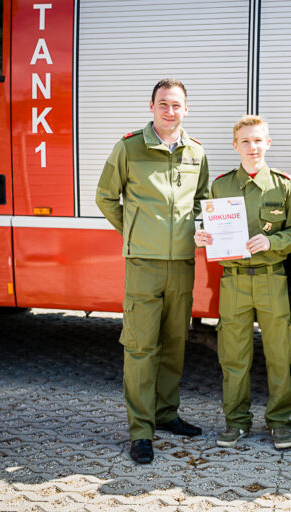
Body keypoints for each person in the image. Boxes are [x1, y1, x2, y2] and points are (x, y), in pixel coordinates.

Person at [95, 78, 209, 464]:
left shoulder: (196, 152)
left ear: (186, 109)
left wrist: (202, 229)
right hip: (143, 264)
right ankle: (140, 431)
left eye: (177, 105)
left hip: (182, 264)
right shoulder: (129, 147)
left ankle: (165, 414)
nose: (170, 111)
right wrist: (135, 230)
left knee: (174, 344)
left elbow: (202, 202)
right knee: (141, 347)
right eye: (163, 104)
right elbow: (106, 196)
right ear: (151, 106)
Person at [195, 115, 291, 450]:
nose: (252, 147)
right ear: (235, 145)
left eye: (258, 140)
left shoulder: (284, 185)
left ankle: (280, 423)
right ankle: (237, 422)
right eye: (245, 141)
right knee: (233, 356)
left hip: (272, 280)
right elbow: (212, 232)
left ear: (267, 143)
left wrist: (273, 242)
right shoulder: (222, 186)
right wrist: (203, 237)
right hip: (235, 281)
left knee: (279, 355)